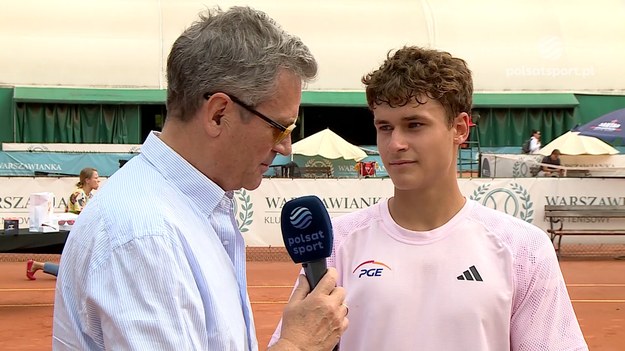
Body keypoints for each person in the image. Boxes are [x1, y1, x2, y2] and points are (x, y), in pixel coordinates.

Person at [53, 7, 347, 351]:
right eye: (279, 128)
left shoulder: (187, 209)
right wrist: (298, 344)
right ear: (218, 113)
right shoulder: (146, 234)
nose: (285, 148)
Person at [271, 46, 587, 350]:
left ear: (460, 128)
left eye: (415, 125)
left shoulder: (524, 249)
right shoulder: (337, 245)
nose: (395, 143)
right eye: (384, 127)